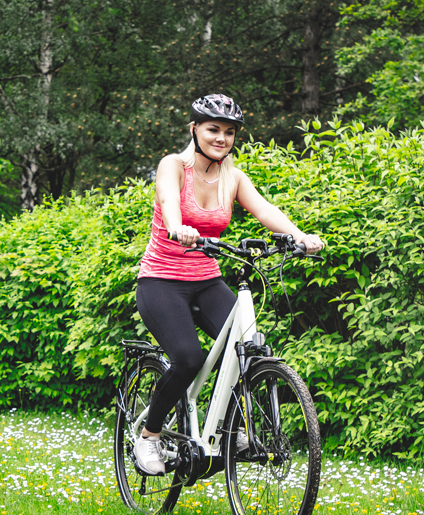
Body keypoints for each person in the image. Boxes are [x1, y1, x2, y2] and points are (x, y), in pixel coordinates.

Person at [133, 94, 324, 475]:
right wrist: (176, 225)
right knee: (189, 357)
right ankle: (150, 435)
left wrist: (300, 236)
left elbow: (264, 209)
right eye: (213, 129)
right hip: (161, 280)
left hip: (206, 279)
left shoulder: (232, 177)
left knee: (251, 348)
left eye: (229, 132)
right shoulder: (174, 166)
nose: (221, 138)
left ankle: (233, 427)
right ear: (195, 129)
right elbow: (169, 198)